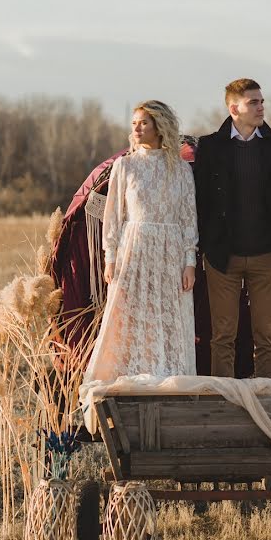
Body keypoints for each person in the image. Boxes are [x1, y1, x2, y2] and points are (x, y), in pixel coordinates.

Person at [83, 100, 198, 383]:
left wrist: (189, 261)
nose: (137, 128)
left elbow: (187, 218)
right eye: (134, 123)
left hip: (170, 253)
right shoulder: (125, 166)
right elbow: (113, 217)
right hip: (133, 249)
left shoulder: (181, 170)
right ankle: (130, 380)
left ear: (159, 127)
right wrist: (110, 257)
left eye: (143, 123)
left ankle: (168, 380)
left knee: (167, 319)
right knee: (131, 316)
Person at [194, 78, 271, 380]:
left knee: (266, 336)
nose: (261, 107)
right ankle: (224, 405)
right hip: (223, 256)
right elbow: (201, 199)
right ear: (233, 108)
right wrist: (210, 242)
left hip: (268, 256)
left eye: (262, 101)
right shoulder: (211, 146)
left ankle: (265, 403)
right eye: (254, 102)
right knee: (223, 336)